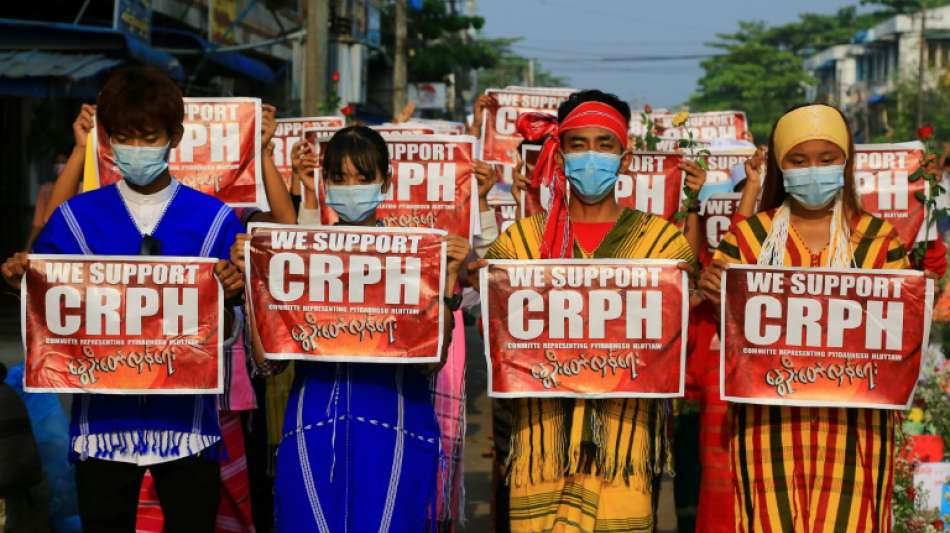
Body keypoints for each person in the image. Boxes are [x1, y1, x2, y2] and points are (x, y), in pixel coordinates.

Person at [1, 66, 245, 533]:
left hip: (187, 427)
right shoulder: (76, 218)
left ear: (174, 136)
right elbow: (47, 303)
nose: (135, 149)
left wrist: (231, 299)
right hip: (102, 427)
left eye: (148, 136)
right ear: (109, 140)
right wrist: (20, 280)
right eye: (124, 138)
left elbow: (231, 330)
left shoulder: (214, 221)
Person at [477, 90, 696, 533]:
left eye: (604, 145)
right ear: (559, 157)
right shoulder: (519, 244)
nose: (591, 157)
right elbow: (498, 340)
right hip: (541, 447)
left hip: (625, 450)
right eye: (578, 145)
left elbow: (673, 342)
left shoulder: (663, 247)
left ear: (625, 158)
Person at [233, 126, 471, 532]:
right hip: (314, 417)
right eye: (339, 178)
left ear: (386, 182)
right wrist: (255, 282)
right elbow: (267, 362)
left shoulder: (414, 257)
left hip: (394, 417)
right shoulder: (298, 259)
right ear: (324, 183)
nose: (351, 188)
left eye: (363, 177)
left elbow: (431, 363)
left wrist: (448, 281)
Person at [700, 103, 908, 532]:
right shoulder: (748, 238)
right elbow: (731, 336)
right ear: (780, 166)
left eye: (826, 158)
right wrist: (715, 294)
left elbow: (901, 338)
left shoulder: (879, 240)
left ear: (845, 163)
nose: (813, 169)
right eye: (799, 160)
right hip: (768, 431)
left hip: (856, 434)